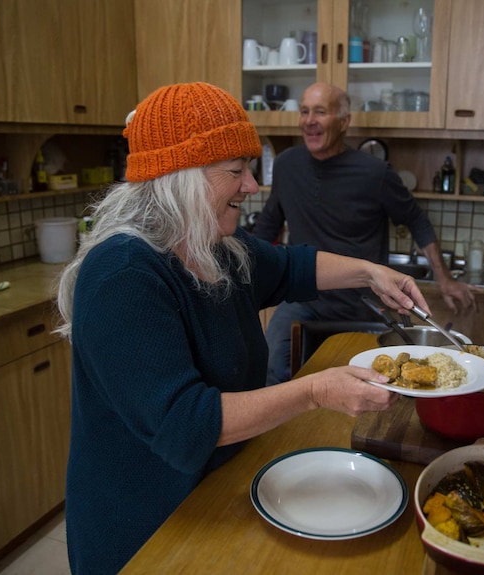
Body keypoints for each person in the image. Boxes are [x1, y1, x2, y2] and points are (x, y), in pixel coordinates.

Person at [54, 82, 429, 574]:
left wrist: (371, 272)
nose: (252, 185)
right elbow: (186, 423)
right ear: (182, 178)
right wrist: (314, 391)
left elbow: (294, 266)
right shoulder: (124, 274)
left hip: (218, 496)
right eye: (236, 170)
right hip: (146, 531)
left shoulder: (213, 247)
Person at [253, 82, 476, 386]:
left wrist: (444, 279)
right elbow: (267, 225)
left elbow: (416, 220)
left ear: (344, 122)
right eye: (304, 111)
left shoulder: (375, 173)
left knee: (374, 385)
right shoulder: (286, 165)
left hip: (365, 304)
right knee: (272, 369)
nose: (309, 120)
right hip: (304, 300)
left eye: (320, 112)